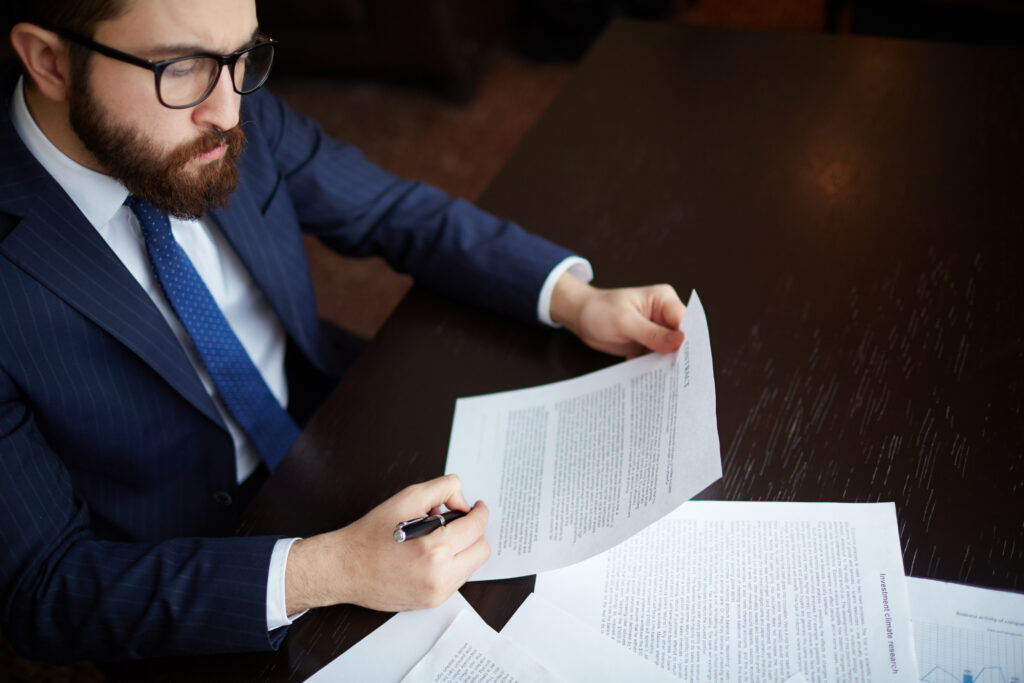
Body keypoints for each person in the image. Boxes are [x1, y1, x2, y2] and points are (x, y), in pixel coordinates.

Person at [0, 0, 686, 663]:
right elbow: (42, 588)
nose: (230, 112)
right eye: (180, 68)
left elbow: (391, 209)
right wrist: (328, 569)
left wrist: (572, 298)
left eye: (242, 54)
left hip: (330, 419)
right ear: (49, 62)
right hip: (179, 572)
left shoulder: (228, 112)